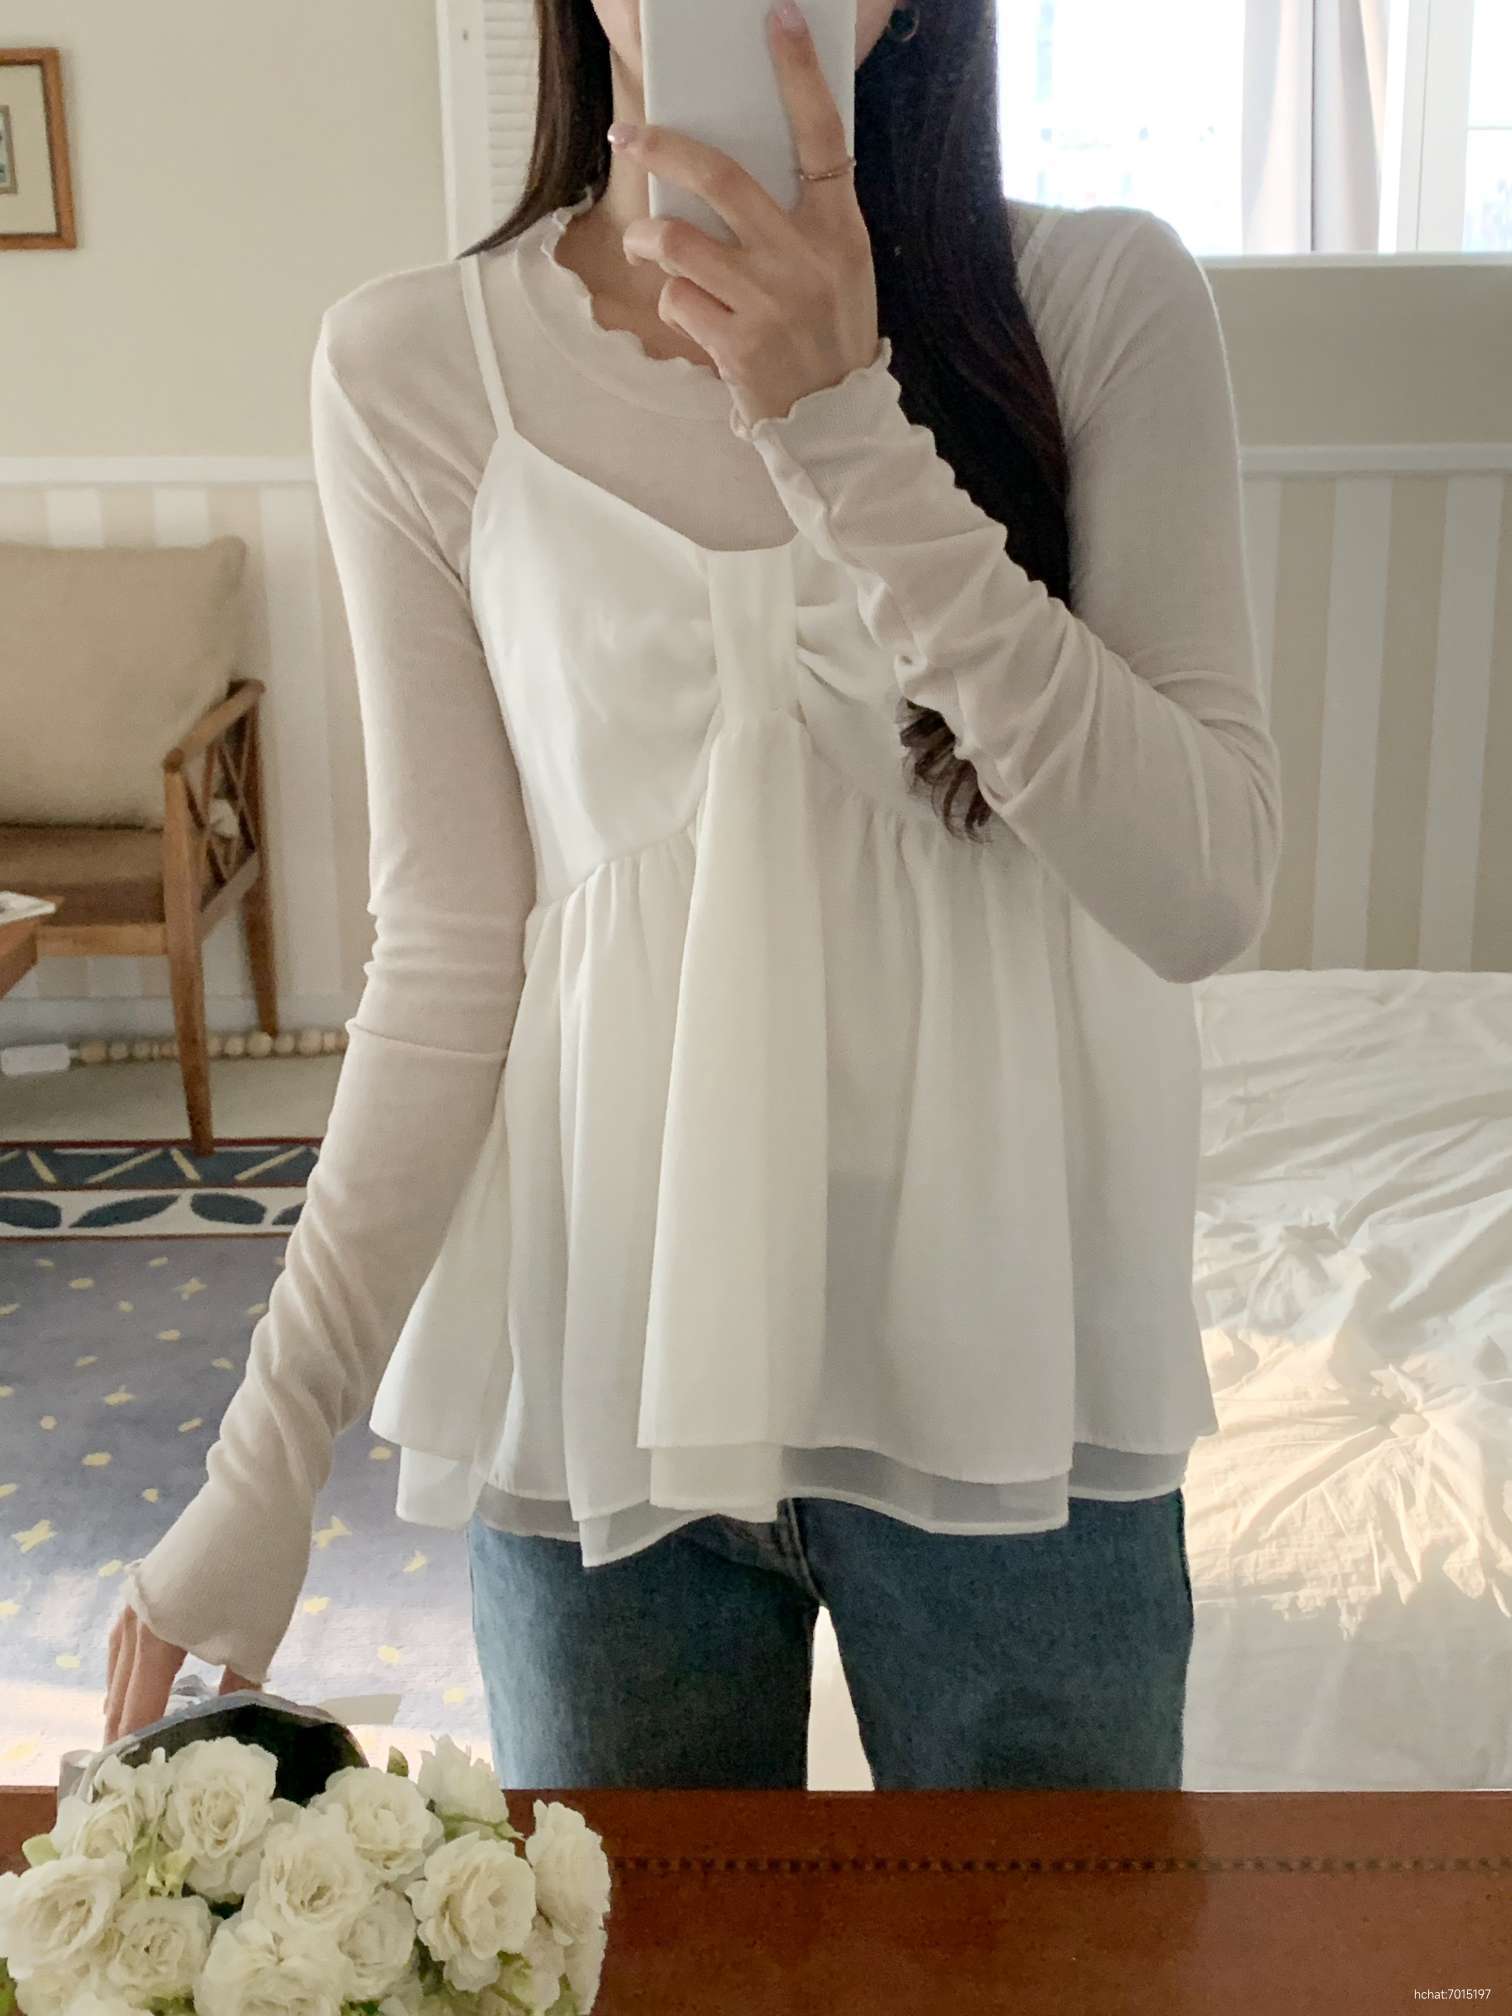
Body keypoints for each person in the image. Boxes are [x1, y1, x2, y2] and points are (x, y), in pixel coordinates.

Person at [105, 0, 1282, 1791]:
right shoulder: (414, 365)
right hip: (605, 1380)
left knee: (1059, 1941)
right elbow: (448, 964)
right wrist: (268, 1454)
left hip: (1009, 1372)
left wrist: (847, 427)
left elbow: (1203, 893)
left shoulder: (1099, 301)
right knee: (630, 1942)